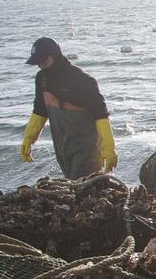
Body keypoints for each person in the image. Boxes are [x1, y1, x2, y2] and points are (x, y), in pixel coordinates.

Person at [19, 37, 117, 178]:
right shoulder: (42, 79)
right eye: (37, 63)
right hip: (62, 145)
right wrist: (29, 138)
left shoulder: (82, 80)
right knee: (72, 183)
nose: (41, 65)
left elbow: (100, 114)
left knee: (85, 186)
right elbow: (40, 110)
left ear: (55, 56)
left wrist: (109, 148)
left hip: (86, 148)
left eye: (44, 61)